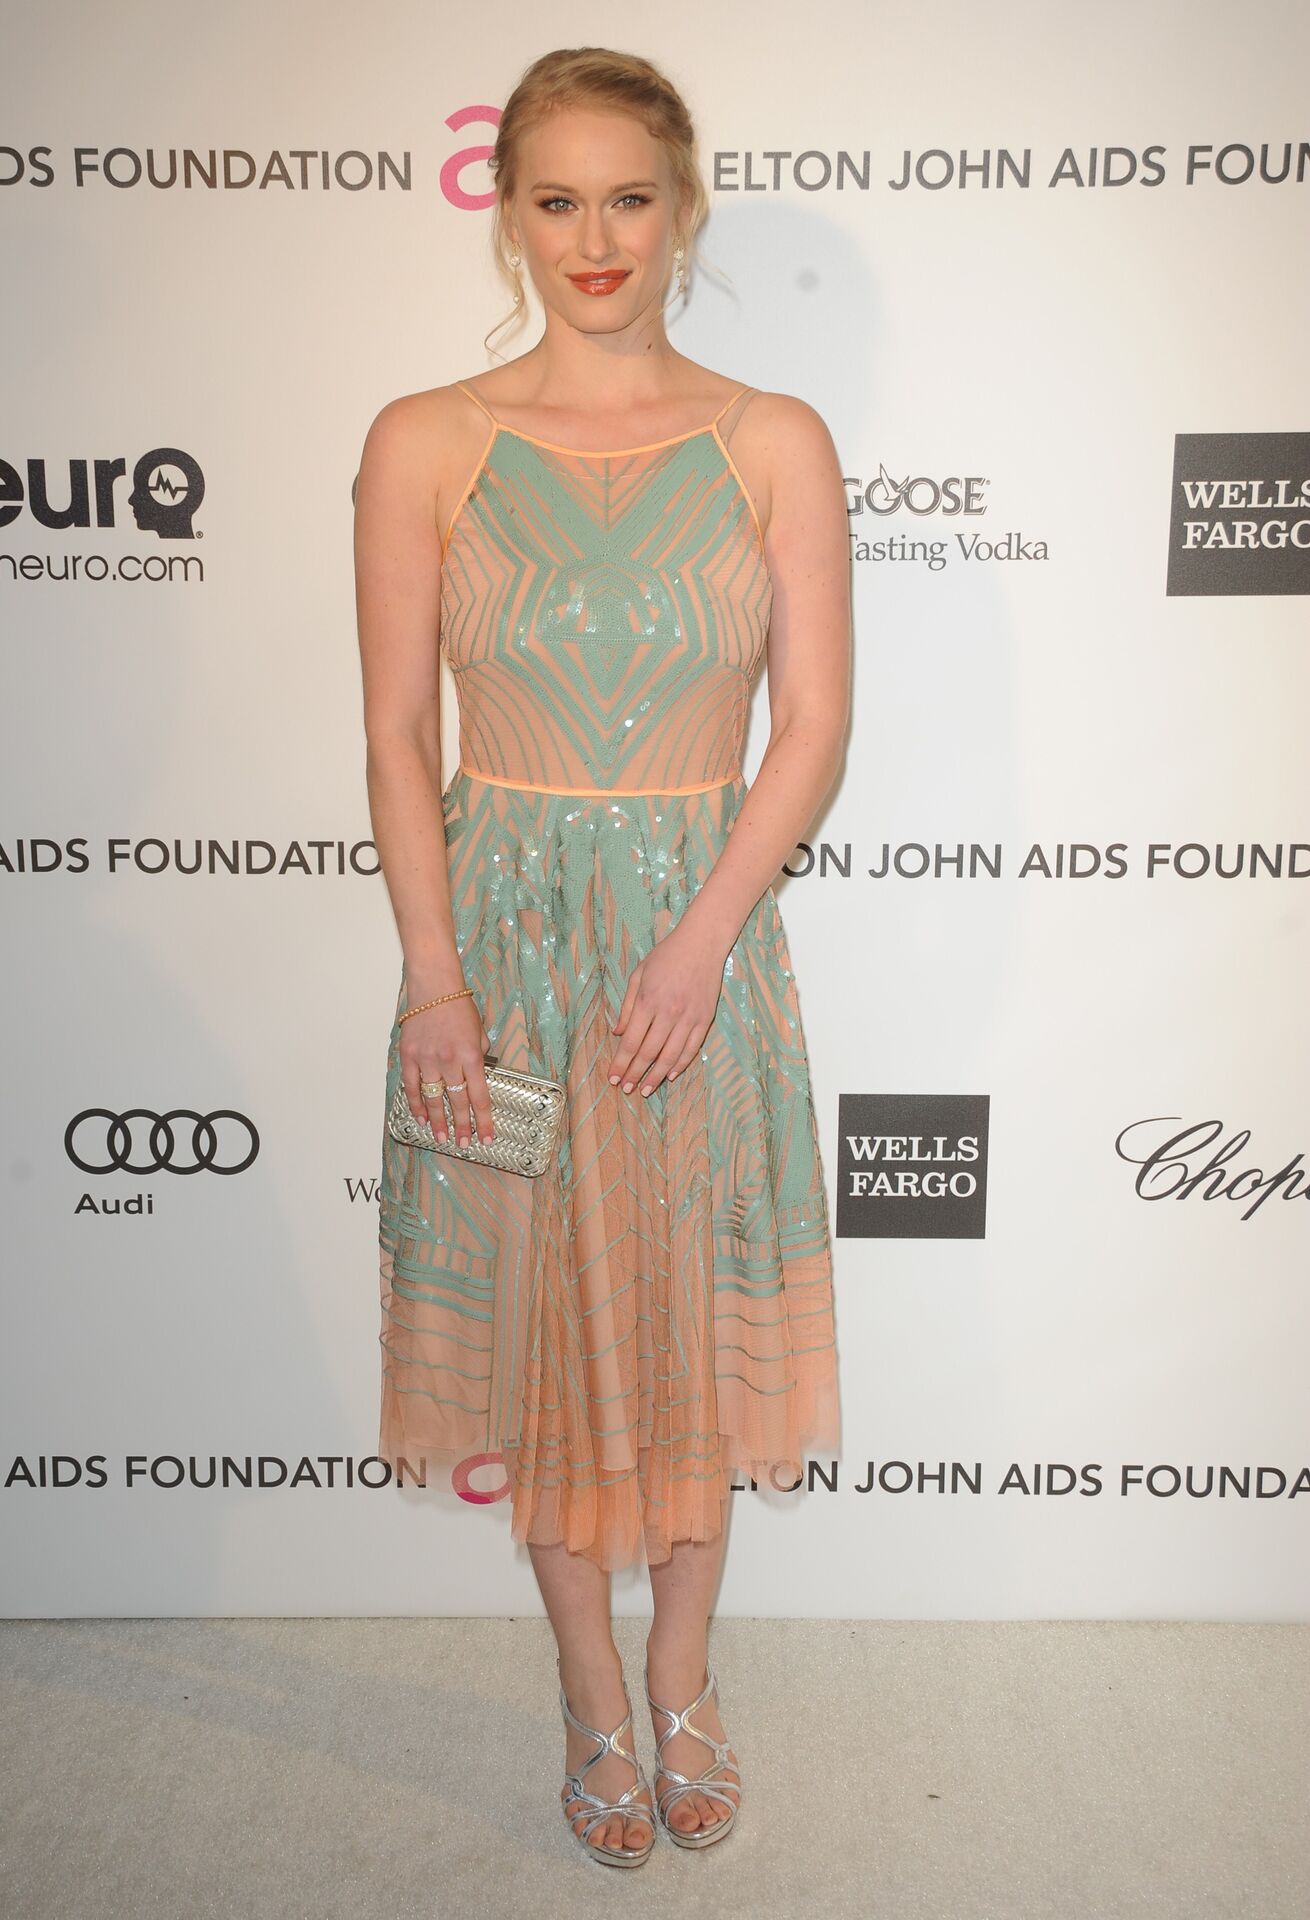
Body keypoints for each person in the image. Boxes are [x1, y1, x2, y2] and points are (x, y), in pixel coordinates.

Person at [353, 45, 850, 1867]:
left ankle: (686, 1679)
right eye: (555, 198)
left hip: (701, 956)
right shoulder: (426, 439)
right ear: (504, 211)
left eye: (628, 197)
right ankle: (585, 1693)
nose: (594, 236)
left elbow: (811, 731)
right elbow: (397, 733)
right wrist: (434, 976)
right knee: (543, 1336)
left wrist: (703, 938)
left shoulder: (771, 439)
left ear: (682, 207)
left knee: (689, 1327)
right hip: (496, 952)